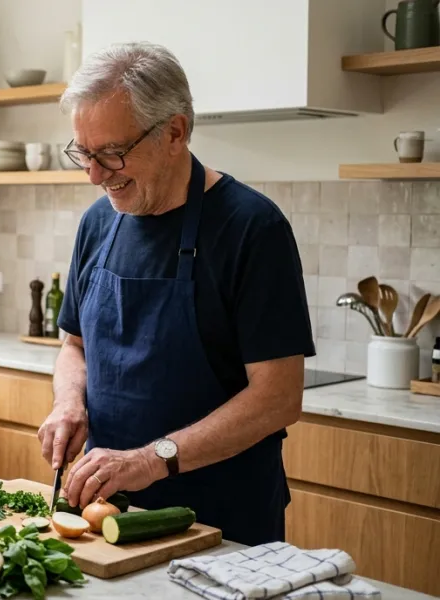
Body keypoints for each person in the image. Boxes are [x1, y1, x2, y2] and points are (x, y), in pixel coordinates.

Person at [36, 42, 314, 545]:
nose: (95, 175)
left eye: (112, 154)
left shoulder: (253, 228)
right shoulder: (98, 223)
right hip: (106, 515)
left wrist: (151, 460)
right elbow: (73, 345)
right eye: (85, 153)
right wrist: (68, 402)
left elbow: (278, 397)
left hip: (224, 524)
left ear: (174, 132)